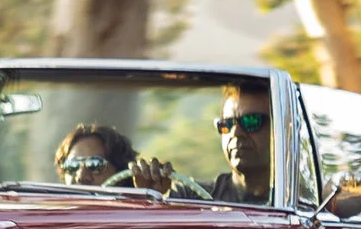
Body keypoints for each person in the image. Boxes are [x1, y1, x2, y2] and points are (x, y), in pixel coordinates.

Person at [115, 83, 274, 205]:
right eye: (227, 123)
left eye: (251, 121)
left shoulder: (294, 203)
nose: (236, 132)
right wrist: (152, 198)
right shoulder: (191, 197)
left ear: (279, 130)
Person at [54, 123, 136, 187]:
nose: (81, 176)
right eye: (72, 166)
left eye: (95, 164)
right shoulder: (48, 206)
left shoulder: (138, 208)